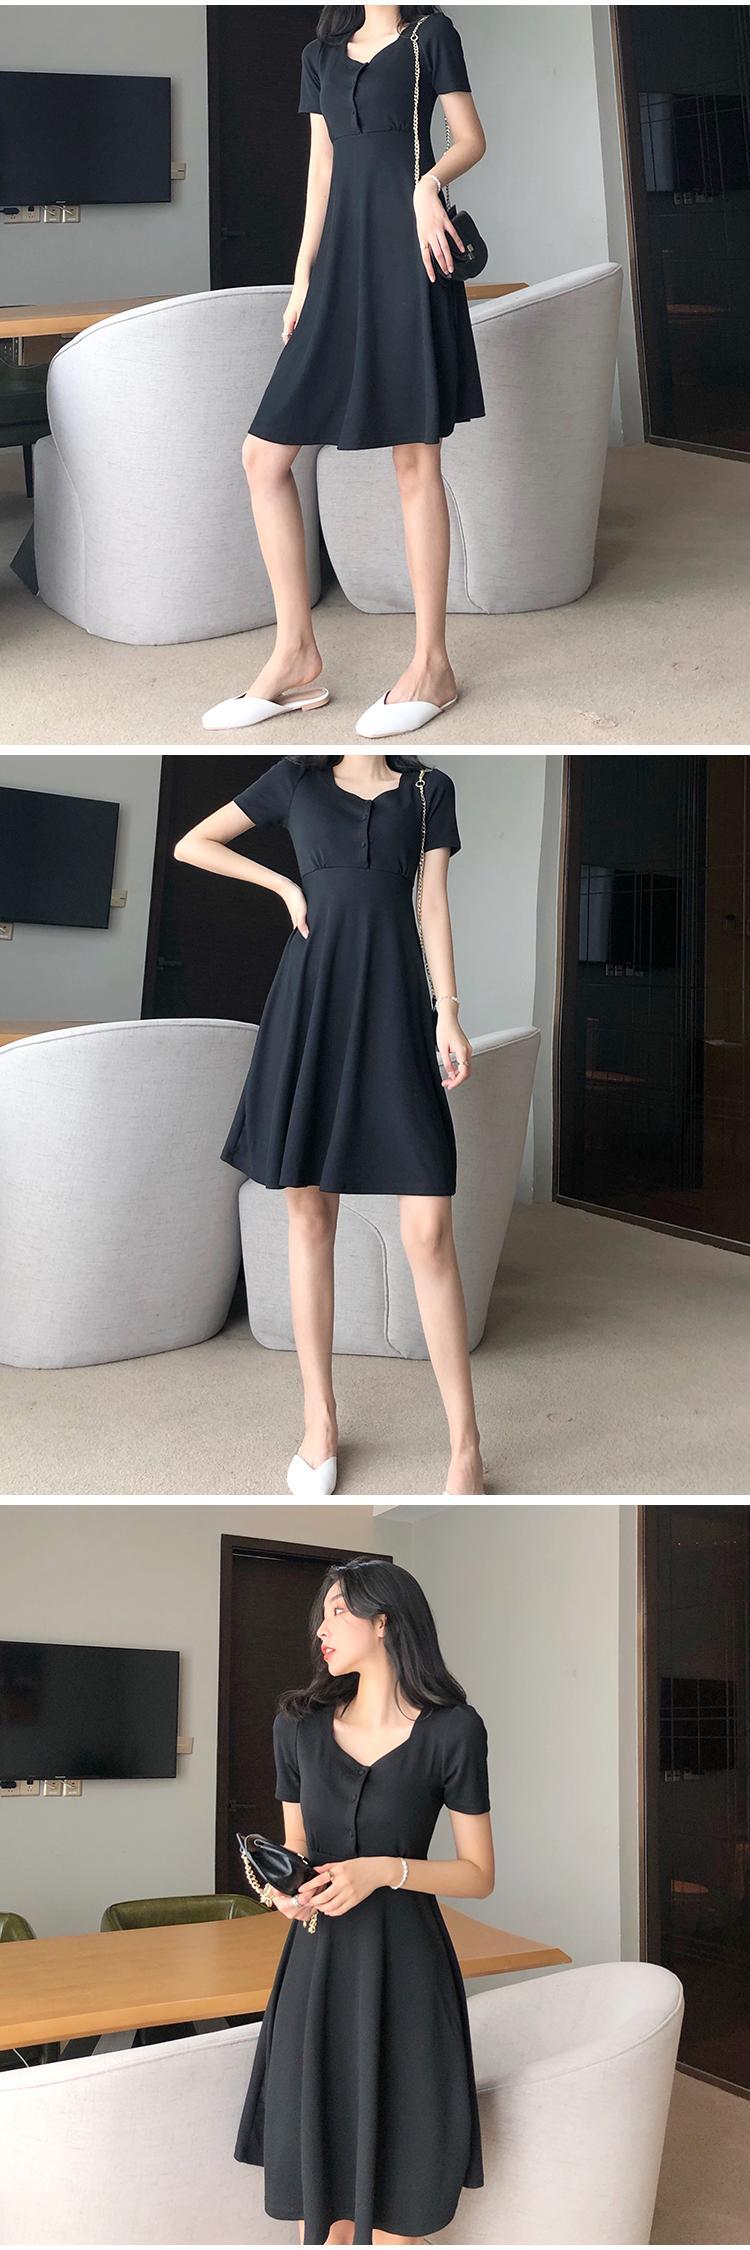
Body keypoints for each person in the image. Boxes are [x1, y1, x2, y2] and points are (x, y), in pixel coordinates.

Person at [174, 751, 487, 1496]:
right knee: (310, 1214)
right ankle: (319, 1419)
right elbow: (194, 843)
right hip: (310, 1000)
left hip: (396, 1002)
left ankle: (466, 1447)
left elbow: (432, 901)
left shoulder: (427, 788)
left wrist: (448, 1011)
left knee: (428, 1231)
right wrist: (286, 885)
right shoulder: (296, 780)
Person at [202, 6, 487, 739]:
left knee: (414, 460)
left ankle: (433, 665)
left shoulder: (430, 35)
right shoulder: (319, 55)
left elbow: (469, 138)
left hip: (411, 255)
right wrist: (303, 275)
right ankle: (296, 654)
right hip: (337, 266)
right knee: (263, 457)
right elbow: (322, 168)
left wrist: (427, 186)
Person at [233, 1556, 494, 2246]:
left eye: (338, 1611)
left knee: (403, 2185)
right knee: (319, 2187)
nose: (321, 1628)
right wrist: (282, 1893)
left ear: (384, 1622)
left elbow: (477, 1874)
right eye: (321, 1614)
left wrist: (384, 1870)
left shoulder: (454, 1730)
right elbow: (294, 1849)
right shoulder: (296, 1727)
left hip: (409, 1969)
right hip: (316, 1970)